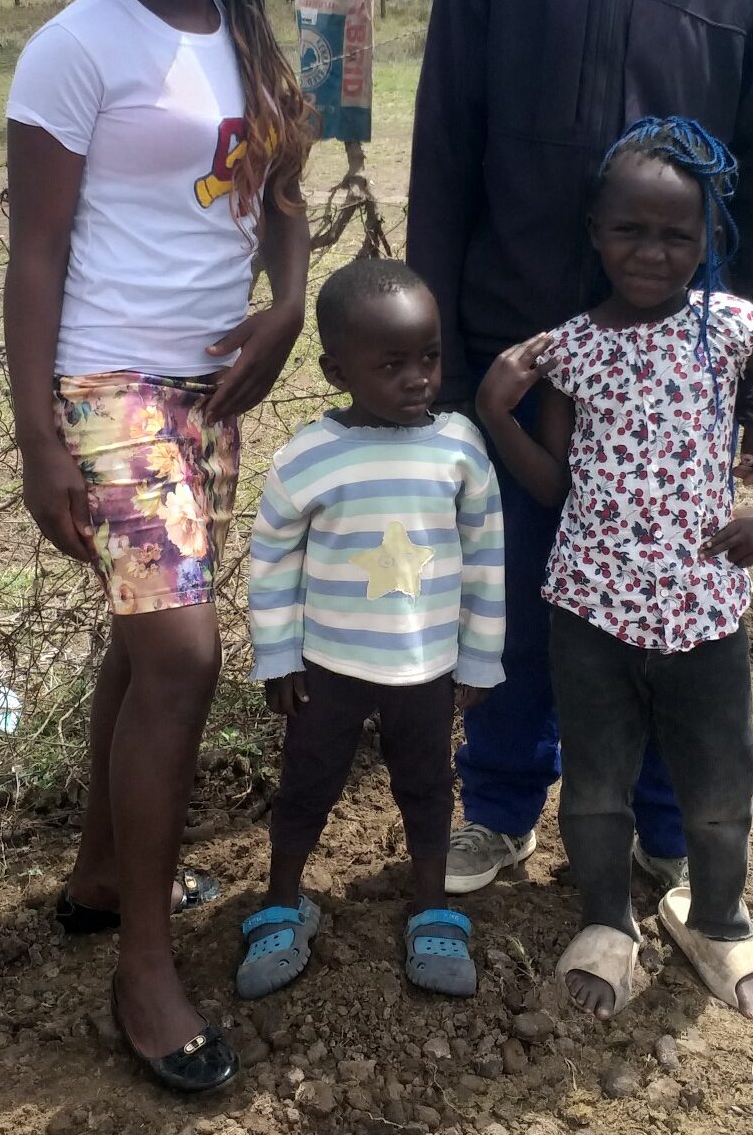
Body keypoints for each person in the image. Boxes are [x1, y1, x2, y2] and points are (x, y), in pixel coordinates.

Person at [407, 0, 753, 894]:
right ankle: (498, 799)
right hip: (518, 360)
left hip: (682, 385)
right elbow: (445, 164)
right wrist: (440, 363)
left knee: (672, 614)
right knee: (524, 601)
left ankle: (665, 822)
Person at [4, 0, 313, 1093]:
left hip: (208, 390)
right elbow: (37, 251)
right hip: (111, 388)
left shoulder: (248, 23)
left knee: (141, 652)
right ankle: (144, 962)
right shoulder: (77, 46)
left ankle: (91, 872)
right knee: (183, 654)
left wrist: (288, 309)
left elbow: (285, 193)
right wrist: (39, 439)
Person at [477, 117, 753, 1019]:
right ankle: (607, 921)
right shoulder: (571, 349)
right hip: (590, 613)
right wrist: (500, 416)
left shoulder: (725, 329)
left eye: (677, 236)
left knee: (722, 789)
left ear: (707, 242)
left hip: (704, 614)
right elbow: (555, 490)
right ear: (596, 234)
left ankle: (717, 920)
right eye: (631, 231)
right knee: (597, 784)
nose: (652, 252)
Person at [237, 260, 505, 1001]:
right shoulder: (308, 458)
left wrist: (479, 660)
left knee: (426, 786)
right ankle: (282, 901)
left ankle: (432, 905)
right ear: (335, 370)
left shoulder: (459, 448)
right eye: (391, 365)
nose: (417, 378)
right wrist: (278, 657)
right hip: (327, 666)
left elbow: (487, 559)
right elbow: (271, 561)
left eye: (429, 357)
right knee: (305, 786)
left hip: (426, 671)